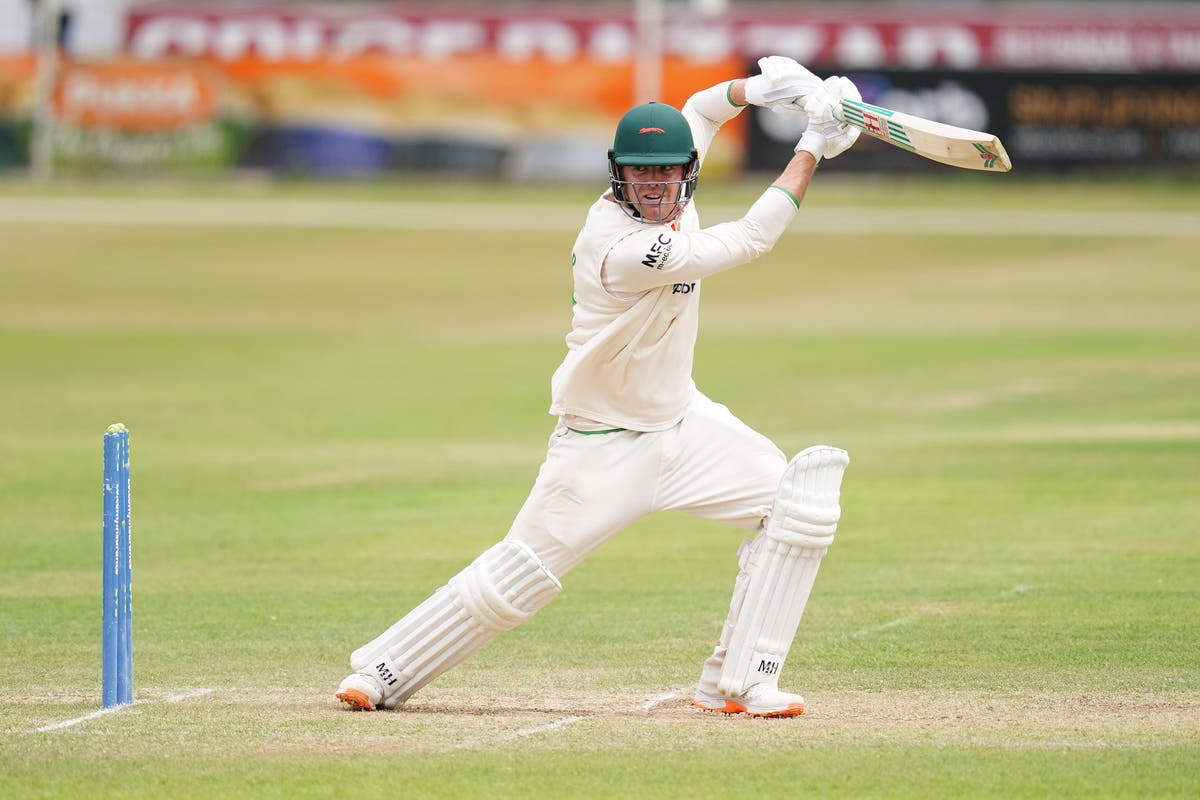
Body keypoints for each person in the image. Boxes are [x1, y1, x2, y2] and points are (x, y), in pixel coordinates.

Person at [337, 57, 857, 718]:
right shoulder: (624, 248)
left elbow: (697, 109)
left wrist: (757, 91)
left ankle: (740, 681)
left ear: (686, 170)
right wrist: (811, 143)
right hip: (601, 445)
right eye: (642, 173)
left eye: (668, 171)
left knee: (796, 504)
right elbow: (754, 237)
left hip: (682, 426)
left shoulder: (675, 185)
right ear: (619, 175)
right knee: (518, 579)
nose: (657, 186)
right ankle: (384, 671)